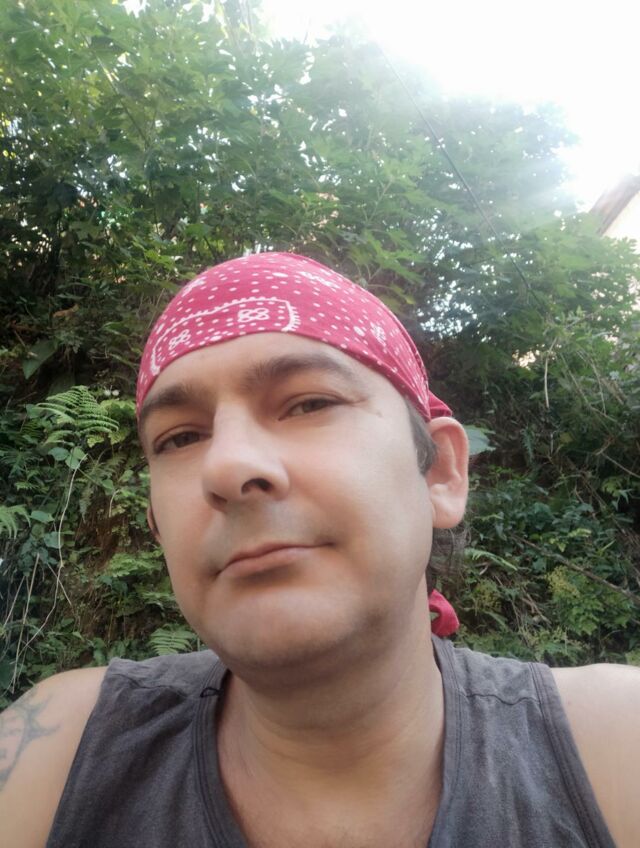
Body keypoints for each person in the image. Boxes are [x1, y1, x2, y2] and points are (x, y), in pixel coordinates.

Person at [1, 252, 639, 848]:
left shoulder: (616, 747)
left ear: (440, 474)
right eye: (180, 438)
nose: (226, 467)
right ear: (157, 526)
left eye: (309, 403)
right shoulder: (60, 752)